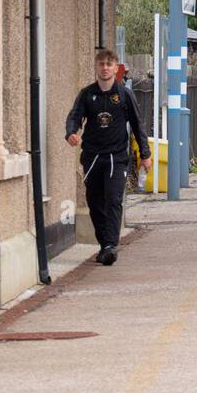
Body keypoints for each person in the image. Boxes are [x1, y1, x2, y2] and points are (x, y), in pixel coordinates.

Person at [66, 49, 151, 265]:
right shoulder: (87, 94)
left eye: (109, 64)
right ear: (96, 67)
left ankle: (111, 245)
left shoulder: (124, 94)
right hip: (93, 156)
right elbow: (75, 116)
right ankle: (104, 244)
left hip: (116, 157)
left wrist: (145, 154)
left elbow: (138, 125)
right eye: (101, 64)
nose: (105, 68)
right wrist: (71, 132)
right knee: (95, 202)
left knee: (113, 200)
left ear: (116, 68)